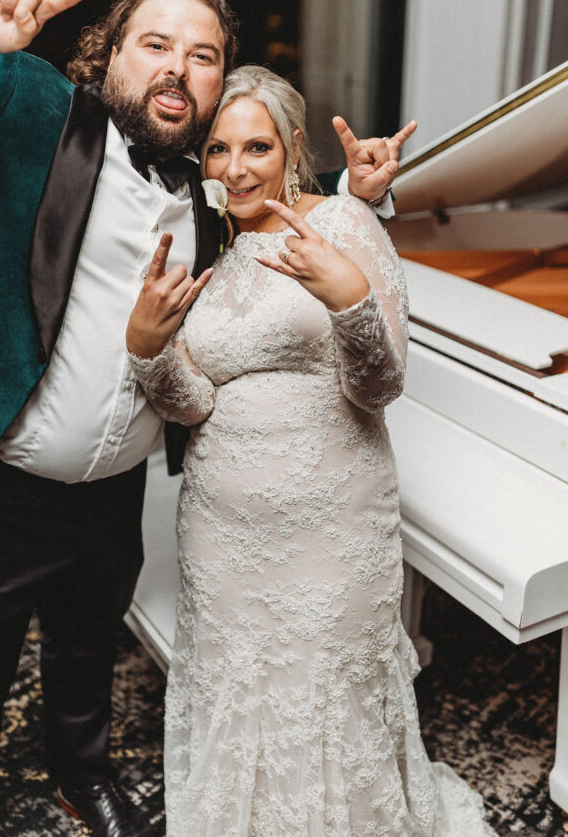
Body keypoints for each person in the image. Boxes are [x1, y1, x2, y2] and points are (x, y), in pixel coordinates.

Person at [0, 0, 397, 837]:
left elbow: (294, 255)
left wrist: (365, 199)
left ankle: (83, 776)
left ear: (219, 87)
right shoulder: (24, 102)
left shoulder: (216, 192)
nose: (178, 67)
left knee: (89, 650)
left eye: (203, 56)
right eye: (154, 42)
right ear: (107, 53)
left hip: (112, 488)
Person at [126, 65, 497, 837]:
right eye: (218, 151)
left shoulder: (343, 224)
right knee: (243, 688)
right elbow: (191, 404)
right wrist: (149, 351)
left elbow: (380, 387)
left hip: (331, 525)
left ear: (292, 148)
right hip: (220, 531)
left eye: (255, 146)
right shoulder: (215, 255)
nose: (235, 168)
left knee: (327, 693)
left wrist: (349, 301)